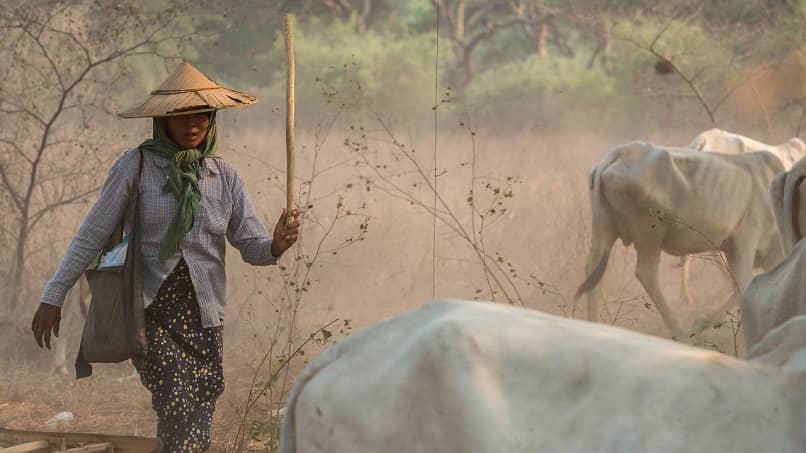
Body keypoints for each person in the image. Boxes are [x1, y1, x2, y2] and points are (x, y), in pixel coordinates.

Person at [30, 62, 300, 452]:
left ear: (212, 119)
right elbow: (92, 233)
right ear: (162, 121)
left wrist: (276, 244)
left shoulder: (223, 177)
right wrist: (52, 295)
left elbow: (253, 246)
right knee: (176, 397)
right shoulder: (135, 166)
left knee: (203, 394)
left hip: (205, 313)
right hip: (149, 309)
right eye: (181, 118)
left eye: (201, 117)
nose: (192, 126)